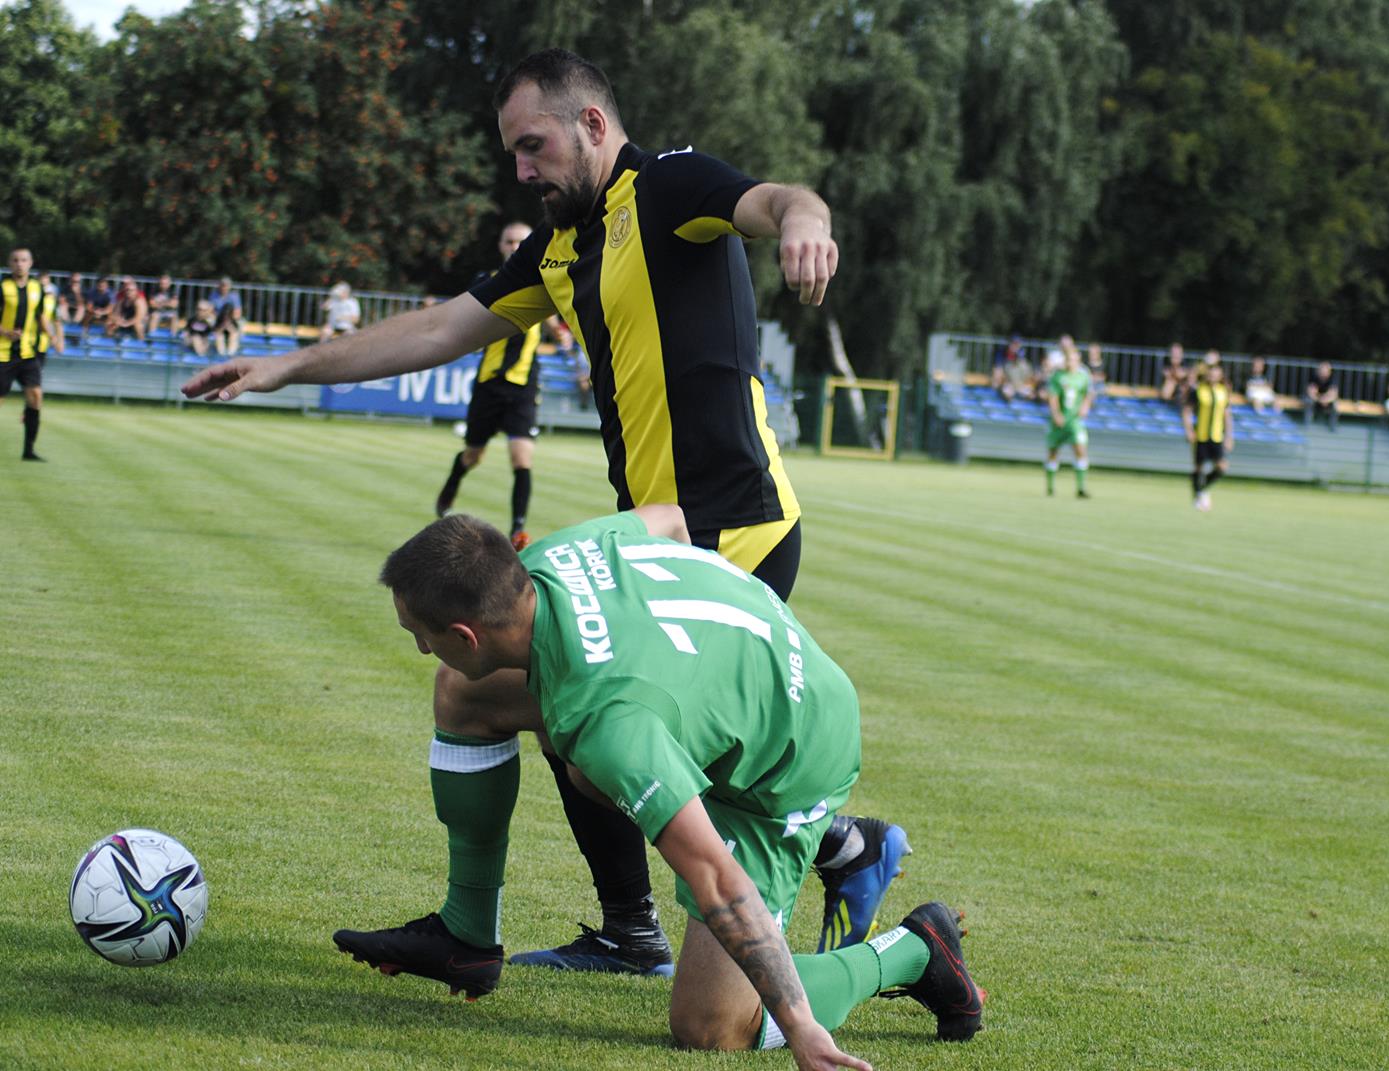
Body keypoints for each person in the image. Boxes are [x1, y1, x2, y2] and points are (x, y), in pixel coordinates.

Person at [183, 47, 905, 978]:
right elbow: (443, 325)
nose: (521, 170)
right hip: (657, 535)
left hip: (734, 535)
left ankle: (827, 874)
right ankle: (602, 923)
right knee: (491, 696)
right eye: (512, 153)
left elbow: (774, 200)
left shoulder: (670, 185)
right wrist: (283, 367)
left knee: (603, 733)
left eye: (534, 146)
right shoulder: (564, 241)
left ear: (593, 125)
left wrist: (808, 220)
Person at [336, 509, 985, 1068]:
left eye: (420, 634)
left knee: (709, 1026)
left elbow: (716, 875)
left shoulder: (614, 724)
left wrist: (800, 1025)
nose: (422, 648)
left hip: (794, 758)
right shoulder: (558, 554)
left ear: (465, 633)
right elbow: (671, 516)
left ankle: (911, 950)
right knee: (466, 694)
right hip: (758, 666)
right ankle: (468, 936)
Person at [434, 223, 544, 547]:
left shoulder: (550, 279)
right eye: (509, 241)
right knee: (473, 455)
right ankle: (453, 481)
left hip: (523, 384)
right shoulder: (487, 281)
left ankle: (518, 530)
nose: (514, 246)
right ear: (500, 245)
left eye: (521, 242)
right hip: (488, 383)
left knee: (521, 457)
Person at [1, 247, 52, 460]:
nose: (19, 264)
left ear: (30, 263)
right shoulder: (2, 287)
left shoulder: (37, 288)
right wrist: (6, 333)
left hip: (27, 353)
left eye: (23, 260)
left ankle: (28, 450)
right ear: (10, 264)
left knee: (35, 397)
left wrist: (53, 336)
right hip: (3, 354)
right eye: (15, 260)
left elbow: (40, 316)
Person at [1044, 338, 1093, 498]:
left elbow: (1089, 393)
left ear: (1078, 360)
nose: (1070, 362)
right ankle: (1050, 487)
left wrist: (1085, 407)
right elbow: (1052, 397)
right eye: (1068, 359)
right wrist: (1056, 414)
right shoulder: (1058, 376)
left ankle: (1081, 488)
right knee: (1053, 452)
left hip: (1074, 421)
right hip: (1059, 421)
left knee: (1080, 450)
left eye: (1073, 359)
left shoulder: (1083, 376)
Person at [1183, 361, 1233, 511]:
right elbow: (1187, 411)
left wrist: (1229, 436)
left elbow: (1227, 415)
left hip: (1217, 435)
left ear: (1220, 375)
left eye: (1216, 372)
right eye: (1210, 373)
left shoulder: (1223, 391)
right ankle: (1198, 495)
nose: (1213, 375)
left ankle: (1201, 490)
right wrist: (1189, 430)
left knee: (1222, 467)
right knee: (1199, 468)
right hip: (1201, 435)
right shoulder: (1198, 390)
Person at [208, 277, 242, 355]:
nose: (224, 287)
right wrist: (220, 321)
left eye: (226, 285)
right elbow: (210, 310)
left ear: (229, 287)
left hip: (231, 320)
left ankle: (231, 353)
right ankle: (221, 355)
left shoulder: (234, 296)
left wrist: (228, 321)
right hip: (218, 319)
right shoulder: (213, 295)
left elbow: (237, 312)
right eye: (222, 285)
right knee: (218, 334)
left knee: (235, 332)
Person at [990, 334, 1029, 402]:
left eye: (1017, 344)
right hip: (1006, 383)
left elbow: (1026, 374)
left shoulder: (1021, 356)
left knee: (1030, 394)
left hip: (1018, 384)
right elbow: (997, 372)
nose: (1015, 346)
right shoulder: (1001, 353)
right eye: (1013, 343)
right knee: (1007, 391)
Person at [109, 276, 149, 341]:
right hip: (126, 319)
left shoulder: (139, 300)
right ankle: (111, 343)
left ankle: (142, 342)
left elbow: (139, 317)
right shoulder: (122, 299)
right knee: (110, 323)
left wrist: (126, 323)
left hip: (138, 321)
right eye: (127, 290)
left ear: (136, 291)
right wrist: (117, 320)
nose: (129, 292)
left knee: (138, 325)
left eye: (131, 290)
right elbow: (116, 313)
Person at [1304, 360, 1339, 431]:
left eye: (1326, 370)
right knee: (1309, 401)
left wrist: (1325, 400)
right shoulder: (1313, 377)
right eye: (1322, 370)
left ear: (1329, 371)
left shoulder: (1333, 378)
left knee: (1335, 405)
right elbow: (1310, 393)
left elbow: (1333, 394)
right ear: (1318, 370)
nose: (1323, 372)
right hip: (1315, 399)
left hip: (1326, 400)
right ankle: (1307, 424)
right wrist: (1320, 400)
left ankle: (1333, 427)